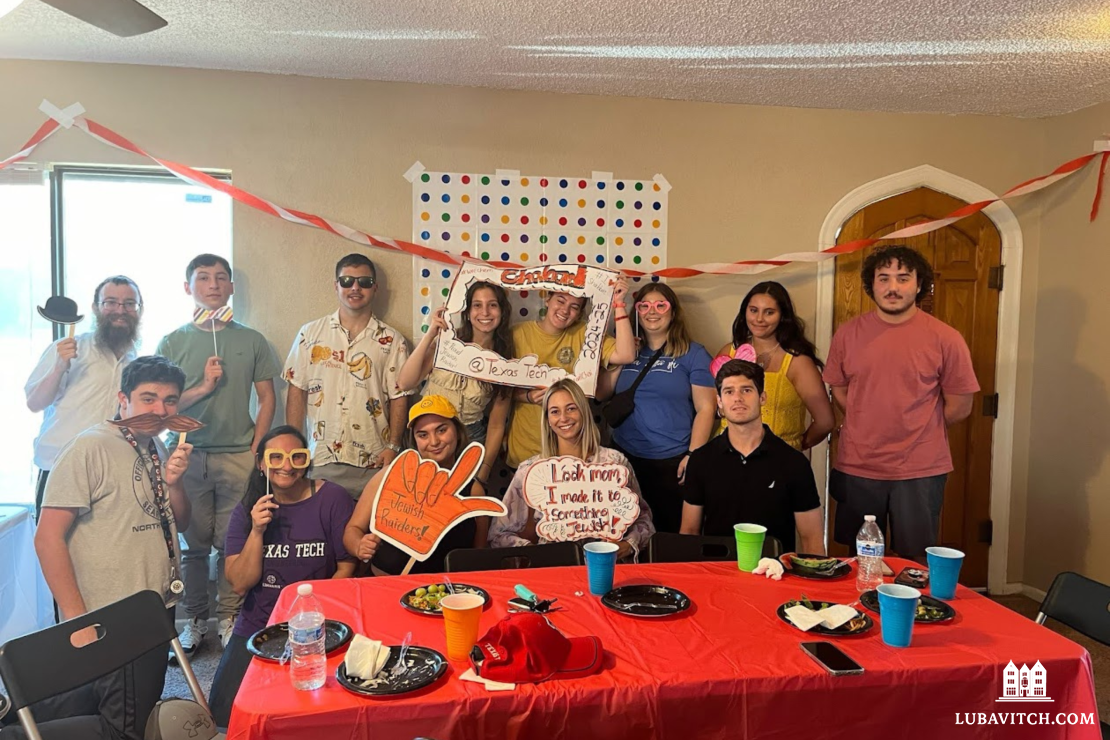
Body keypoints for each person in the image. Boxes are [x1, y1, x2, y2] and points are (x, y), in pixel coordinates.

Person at [13, 356, 193, 740]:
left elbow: (181, 523)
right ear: (122, 399)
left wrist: (175, 483)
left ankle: (13, 720)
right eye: (148, 398)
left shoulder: (155, 446)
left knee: (101, 704)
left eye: (170, 400)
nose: (160, 410)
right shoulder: (89, 447)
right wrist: (77, 621)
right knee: (123, 728)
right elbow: (47, 537)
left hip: (153, 607)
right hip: (113, 616)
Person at [157, 254, 281, 657]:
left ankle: (229, 617)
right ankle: (195, 619)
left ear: (231, 287)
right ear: (188, 287)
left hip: (238, 455)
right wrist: (203, 388)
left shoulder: (252, 340)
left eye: (220, 278)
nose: (213, 285)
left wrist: (257, 445)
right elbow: (162, 408)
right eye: (203, 278)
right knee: (192, 545)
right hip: (187, 455)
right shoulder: (172, 342)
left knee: (233, 542)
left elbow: (267, 398)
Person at [823, 245, 978, 559]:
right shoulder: (847, 334)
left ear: (919, 285)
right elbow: (839, 390)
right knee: (860, 559)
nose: (892, 287)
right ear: (872, 285)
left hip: (920, 470)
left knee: (915, 560)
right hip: (858, 466)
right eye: (884, 278)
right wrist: (867, 418)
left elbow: (960, 406)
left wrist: (916, 426)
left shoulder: (946, 338)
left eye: (903, 278)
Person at [207, 425, 355, 727]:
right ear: (261, 464)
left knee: (320, 712)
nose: (286, 466)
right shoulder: (248, 509)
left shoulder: (332, 498)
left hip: (317, 624)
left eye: (296, 457)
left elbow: (347, 569)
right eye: (276, 457)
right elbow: (239, 583)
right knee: (224, 713)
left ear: (307, 460)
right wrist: (256, 532)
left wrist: (313, 619)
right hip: (260, 624)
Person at [284, 253, 412, 499]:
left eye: (364, 282)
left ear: (375, 288)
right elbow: (296, 390)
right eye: (347, 281)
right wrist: (293, 446)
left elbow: (399, 396)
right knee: (321, 523)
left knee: (367, 525)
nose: (355, 287)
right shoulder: (309, 334)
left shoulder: (392, 340)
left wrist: (394, 446)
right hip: (320, 458)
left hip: (374, 461)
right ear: (336, 286)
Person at [490, 379, 655, 560]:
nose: (563, 418)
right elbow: (499, 535)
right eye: (555, 411)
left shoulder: (614, 462)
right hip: (553, 567)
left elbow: (643, 519)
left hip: (606, 565)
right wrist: (534, 553)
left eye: (571, 408)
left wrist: (628, 545)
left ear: (583, 411)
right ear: (547, 420)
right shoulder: (530, 470)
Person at [598, 283, 716, 533]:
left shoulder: (694, 354)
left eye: (661, 305)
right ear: (637, 312)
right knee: (625, 533)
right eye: (645, 306)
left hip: (672, 462)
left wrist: (693, 456)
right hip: (626, 458)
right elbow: (601, 393)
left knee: (668, 534)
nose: (652, 311)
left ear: (673, 312)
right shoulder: (625, 351)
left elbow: (706, 409)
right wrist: (624, 355)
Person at [25, 276, 142, 516]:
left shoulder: (137, 362)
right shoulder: (67, 348)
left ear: (139, 310)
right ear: (95, 307)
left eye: (129, 304)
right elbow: (34, 403)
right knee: (52, 537)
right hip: (58, 464)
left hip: (109, 469)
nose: (120, 310)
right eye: (111, 302)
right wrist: (59, 367)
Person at [681, 360, 824, 555]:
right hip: (716, 569)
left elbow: (812, 538)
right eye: (729, 391)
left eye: (746, 390)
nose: (737, 398)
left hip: (775, 569)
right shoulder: (701, 460)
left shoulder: (794, 463)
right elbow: (689, 532)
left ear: (762, 398)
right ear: (720, 402)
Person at [344, 396, 494, 575]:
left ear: (457, 430)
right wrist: (359, 545)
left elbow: (477, 556)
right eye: (423, 435)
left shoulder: (473, 491)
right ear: (414, 440)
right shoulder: (388, 476)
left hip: (444, 589)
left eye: (441, 430)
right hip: (382, 583)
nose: (434, 441)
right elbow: (352, 530)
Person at [506, 280, 635, 469]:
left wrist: (619, 303)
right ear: (548, 299)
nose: (565, 310)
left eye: (574, 307)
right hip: (527, 448)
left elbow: (626, 354)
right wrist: (527, 396)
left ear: (580, 313)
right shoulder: (517, 334)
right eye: (560, 300)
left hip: (574, 454)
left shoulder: (586, 333)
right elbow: (498, 388)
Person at [398, 280, 513, 486]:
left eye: (492, 305)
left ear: (502, 311)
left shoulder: (504, 361)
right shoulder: (447, 342)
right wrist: (431, 334)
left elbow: (496, 425)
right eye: (477, 305)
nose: (485, 312)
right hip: (429, 433)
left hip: (470, 438)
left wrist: (482, 474)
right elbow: (405, 383)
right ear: (467, 312)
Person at [715, 281, 834, 451]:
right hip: (727, 456)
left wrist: (793, 448)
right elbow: (711, 406)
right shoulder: (729, 352)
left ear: (783, 316)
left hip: (779, 460)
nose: (759, 319)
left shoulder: (798, 363)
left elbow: (825, 422)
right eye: (753, 310)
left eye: (769, 312)